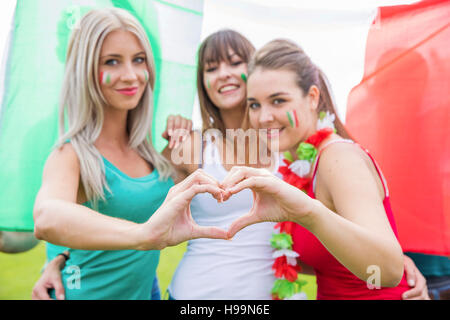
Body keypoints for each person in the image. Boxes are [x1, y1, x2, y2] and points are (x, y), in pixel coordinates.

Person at [32, 30, 428, 300]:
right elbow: (126, 201)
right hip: (193, 294)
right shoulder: (190, 147)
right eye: (210, 66)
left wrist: (391, 259)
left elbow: (352, 220)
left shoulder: (296, 154)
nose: (223, 74)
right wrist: (61, 255)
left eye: (235, 62)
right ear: (202, 82)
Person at [32, 8, 228, 300]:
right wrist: (143, 236)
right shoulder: (71, 154)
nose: (131, 75)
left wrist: (58, 257)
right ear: (85, 70)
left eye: (138, 60)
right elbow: (47, 217)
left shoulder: (150, 153)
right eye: (112, 61)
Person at [220, 39, 416, 299]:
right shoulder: (300, 167)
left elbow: (388, 270)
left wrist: (309, 213)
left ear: (312, 97)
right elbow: (331, 259)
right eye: (254, 104)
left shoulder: (338, 159)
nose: (263, 116)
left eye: (278, 101)